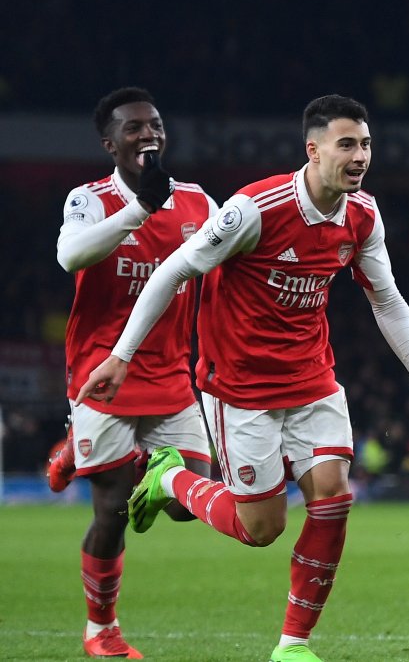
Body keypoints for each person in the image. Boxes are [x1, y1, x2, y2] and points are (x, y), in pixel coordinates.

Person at [76, 94, 409, 662]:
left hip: (313, 381)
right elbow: (173, 270)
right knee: (261, 528)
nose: (361, 156)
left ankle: (293, 645)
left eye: (366, 144)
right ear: (313, 150)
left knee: (333, 499)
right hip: (241, 389)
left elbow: (387, 298)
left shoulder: (363, 215)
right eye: (347, 145)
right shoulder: (254, 210)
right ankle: (168, 479)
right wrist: (121, 355)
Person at [51, 87, 216, 658]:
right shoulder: (89, 199)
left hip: (171, 377)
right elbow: (71, 257)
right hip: (102, 376)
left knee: (187, 502)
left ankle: (128, 458)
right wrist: (139, 209)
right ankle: (101, 629)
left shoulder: (197, 202)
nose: (148, 134)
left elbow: (227, 265)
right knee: (114, 511)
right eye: (133, 128)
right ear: (110, 143)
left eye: (155, 125)